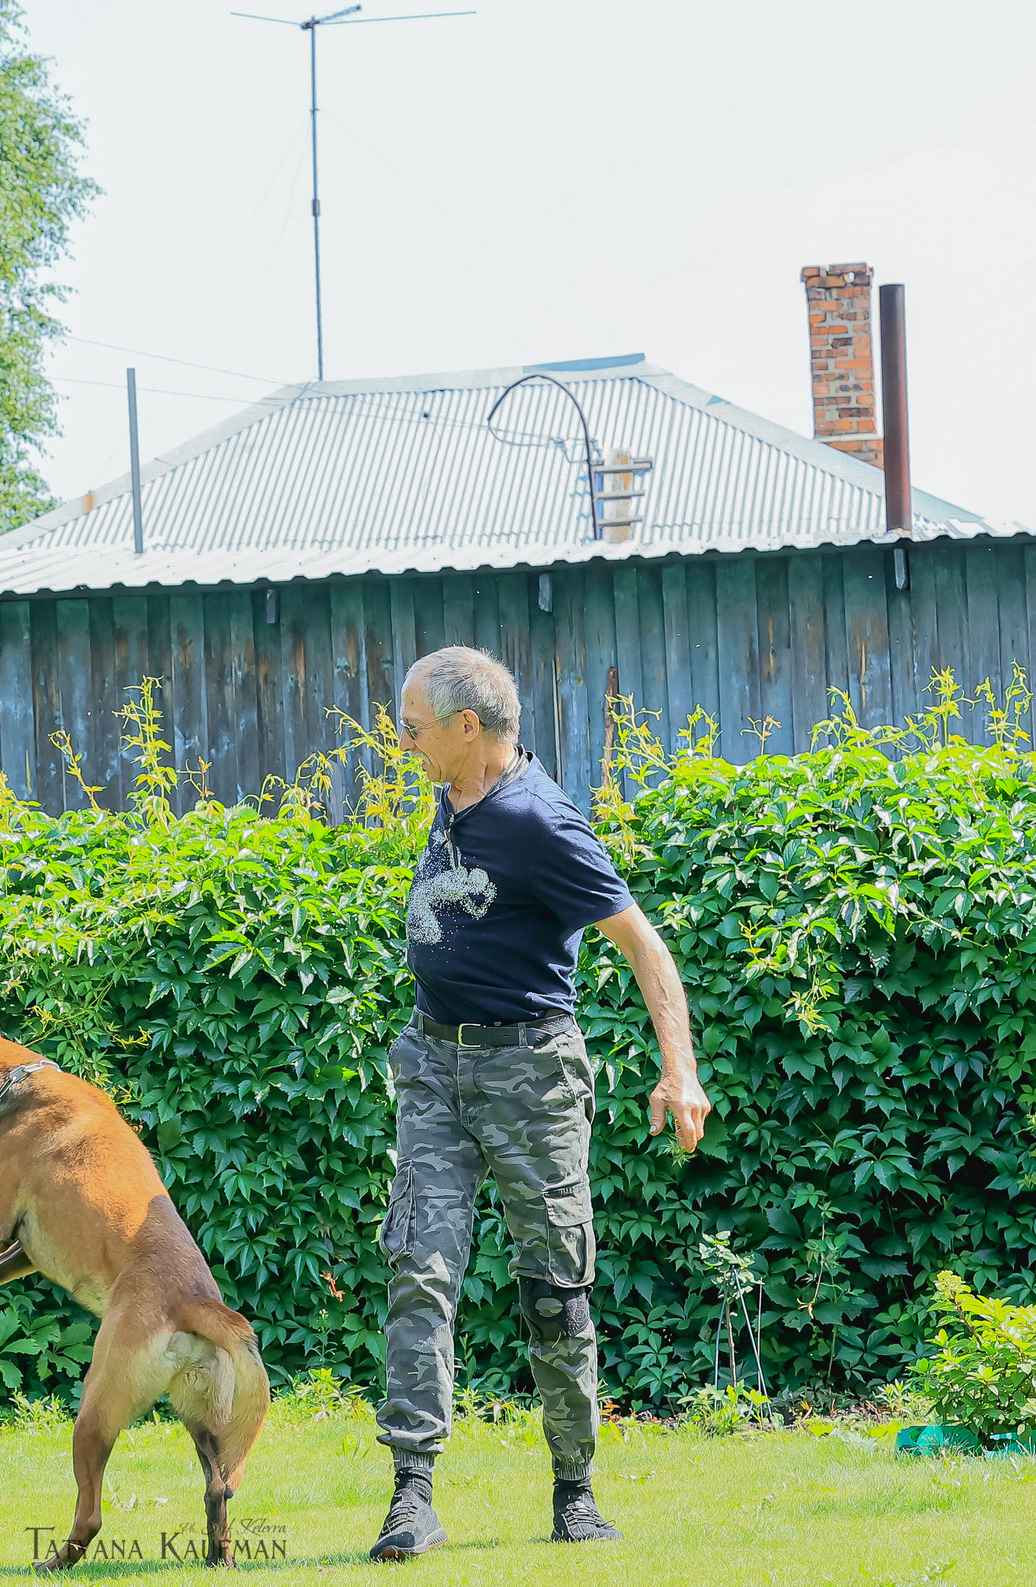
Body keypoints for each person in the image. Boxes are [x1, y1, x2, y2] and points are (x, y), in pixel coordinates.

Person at [371, 646, 711, 1561]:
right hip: (435, 1068)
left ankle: (575, 1491)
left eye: (413, 726)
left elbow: (644, 946)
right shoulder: (454, 795)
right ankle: (412, 1497)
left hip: (531, 1073)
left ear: (466, 728)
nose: (402, 742)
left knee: (553, 1288)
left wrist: (679, 1070)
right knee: (419, 1268)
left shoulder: (542, 822)